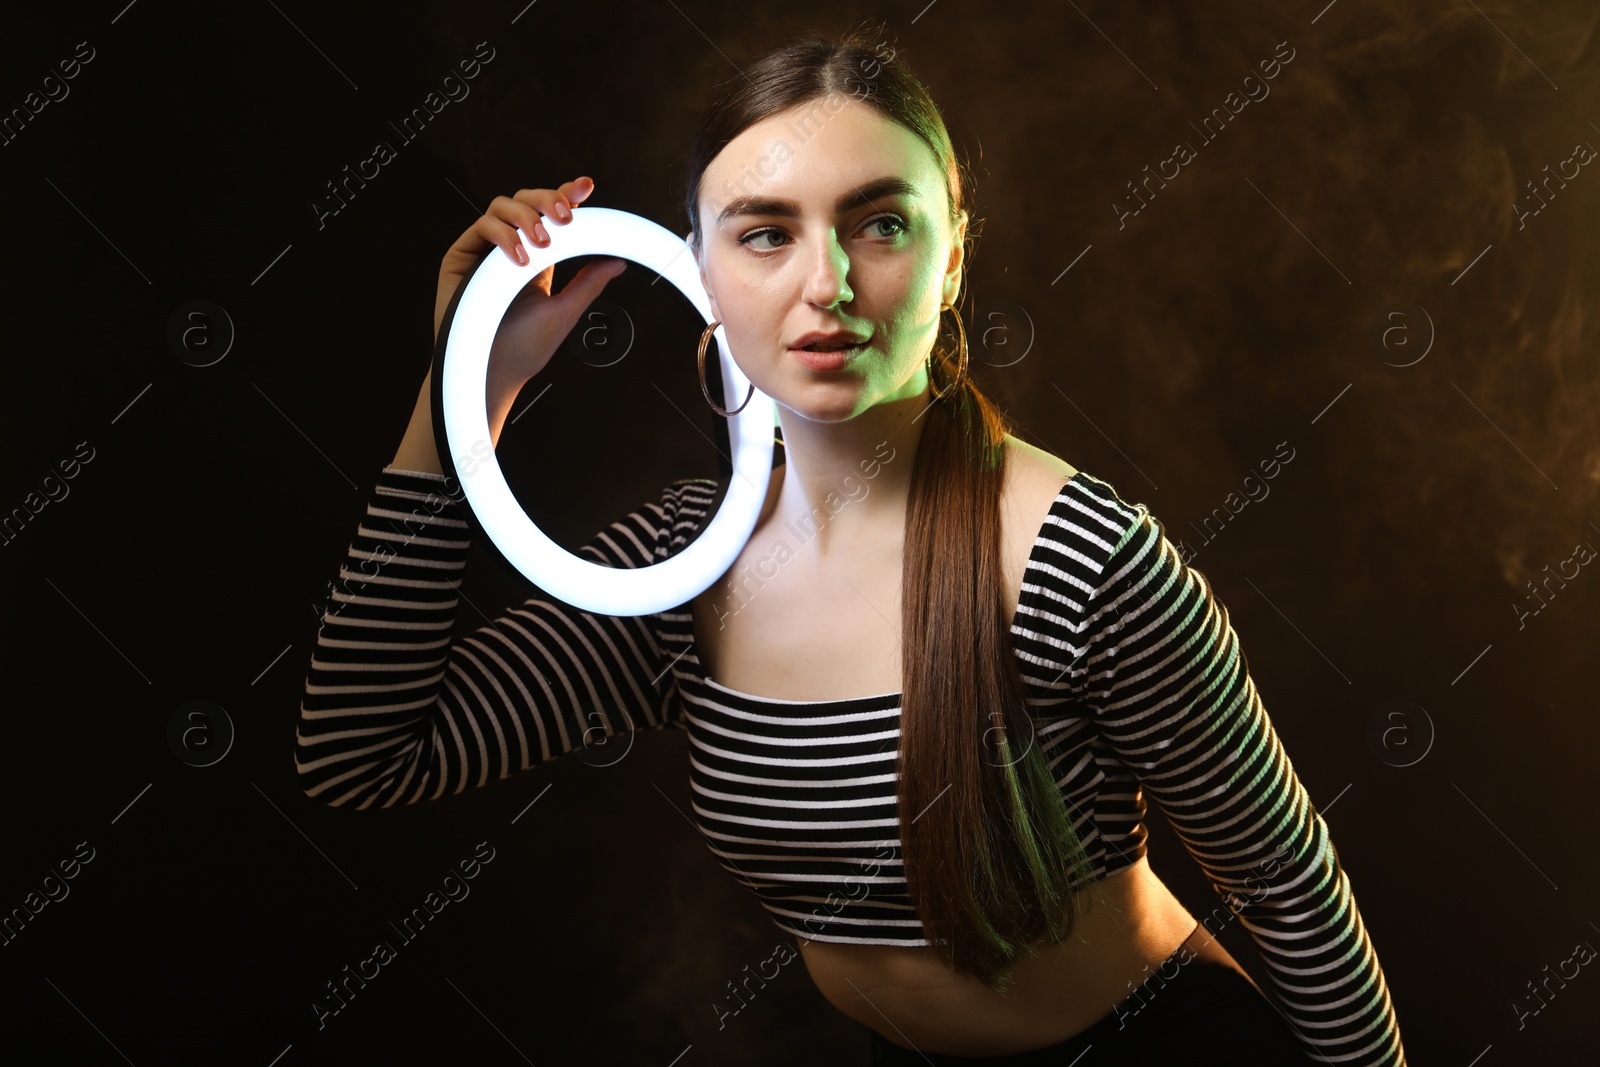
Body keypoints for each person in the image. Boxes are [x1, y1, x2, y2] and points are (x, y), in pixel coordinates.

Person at [297, 24, 1406, 1067]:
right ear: (697, 270)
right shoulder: (683, 569)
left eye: (879, 222)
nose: (823, 283)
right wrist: (463, 392)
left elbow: (1286, 884)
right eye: (766, 232)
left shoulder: (1079, 556)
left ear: (953, 257)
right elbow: (362, 751)